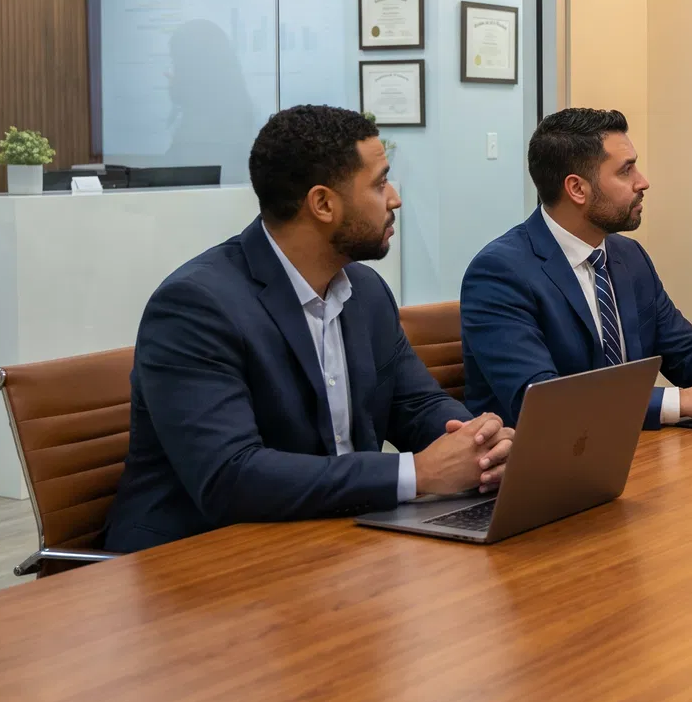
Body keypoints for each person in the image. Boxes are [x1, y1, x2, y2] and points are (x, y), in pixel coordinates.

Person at [104, 105, 513, 552]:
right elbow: (230, 476)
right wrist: (418, 473)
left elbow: (416, 405)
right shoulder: (196, 306)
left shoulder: (365, 289)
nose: (394, 198)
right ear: (322, 204)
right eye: (379, 183)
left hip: (330, 540)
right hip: (196, 561)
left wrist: (483, 446)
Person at [462, 108, 692, 429]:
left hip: (636, 446)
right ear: (577, 188)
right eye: (626, 171)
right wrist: (678, 401)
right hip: (543, 461)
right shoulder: (499, 273)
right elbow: (542, 397)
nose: (642, 182)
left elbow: (685, 351)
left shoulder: (628, 255)